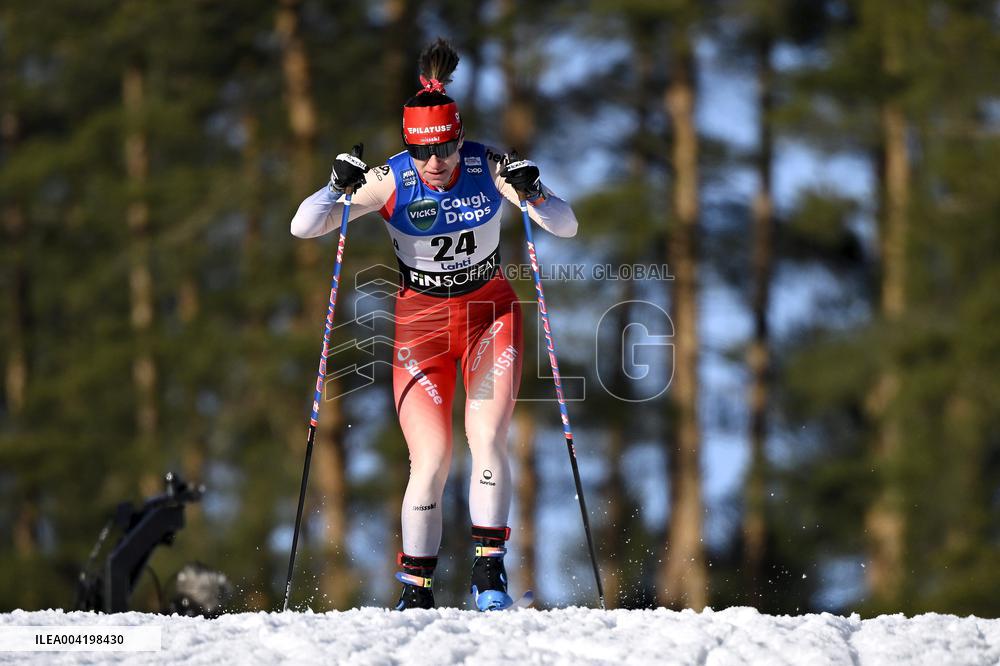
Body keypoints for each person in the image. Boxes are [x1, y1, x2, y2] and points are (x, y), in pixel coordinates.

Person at [290, 38, 578, 610]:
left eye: (445, 147)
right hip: (420, 331)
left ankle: (489, 577)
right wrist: (335, 186)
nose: (436, 164)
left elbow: (565, 227)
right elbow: (304, 227)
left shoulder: (488, 164)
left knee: (487, 437)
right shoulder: (392, 179)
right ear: (407, 149)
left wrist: (534, 192)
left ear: (459, 135)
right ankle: (416, 591)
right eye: (423, 152)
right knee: (431, 457)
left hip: (488, 318)